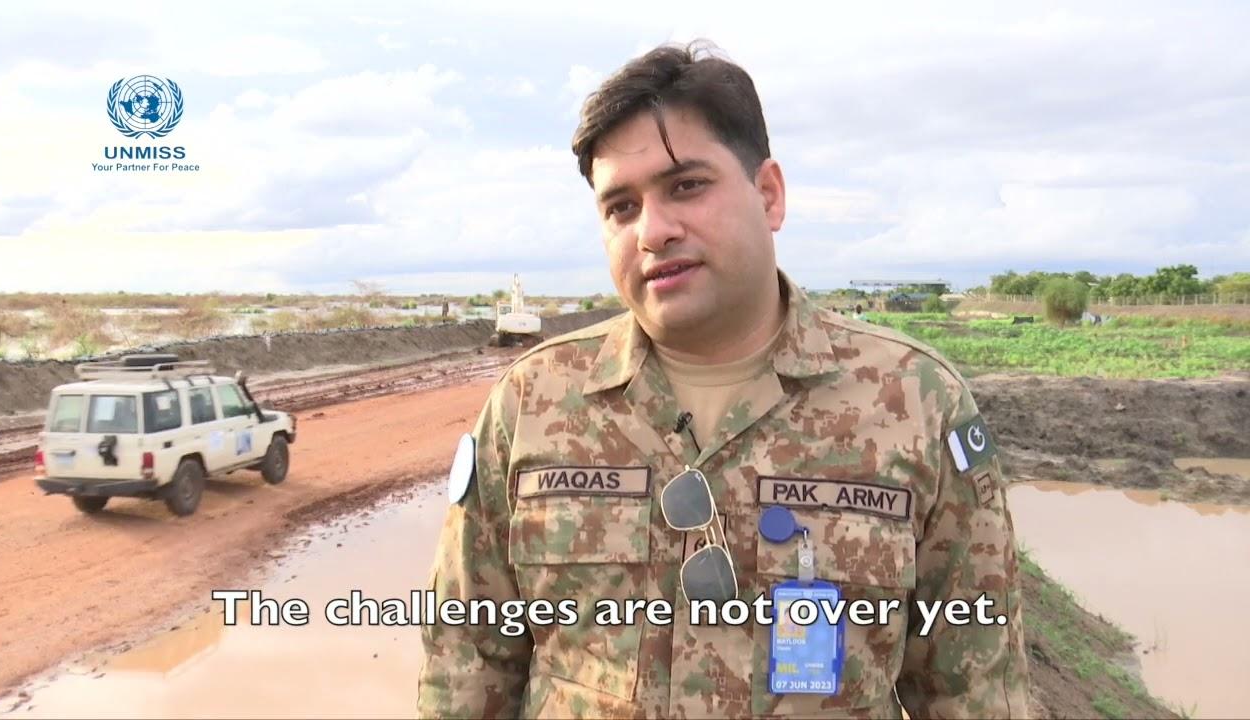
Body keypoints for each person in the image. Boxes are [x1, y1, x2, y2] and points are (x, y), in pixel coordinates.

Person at [418, 40, 1029, 719]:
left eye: (686, 186)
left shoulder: (916, 402)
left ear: (769, 195)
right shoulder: (532, 402)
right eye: (620, 207)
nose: (652, 231)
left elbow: (972, 689)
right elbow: (467, 662)